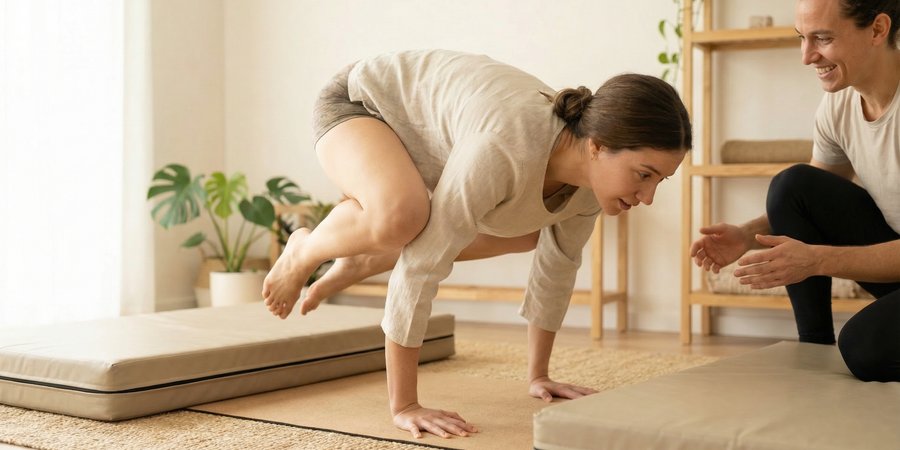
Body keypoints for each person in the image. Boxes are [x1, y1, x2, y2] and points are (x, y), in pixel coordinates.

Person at [263, 49, 692, 439]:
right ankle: (306, 249)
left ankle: (369, 257)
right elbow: (423, 264)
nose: (648, 197)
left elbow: (558, 266)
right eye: (643, 174)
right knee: (404, 217)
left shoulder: (586, 191)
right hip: (361, 104)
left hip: (431, 137)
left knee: (527, 231)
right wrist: (405, 405)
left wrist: (538, 376)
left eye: (660, 180)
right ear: (597, 147)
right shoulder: (504, 147)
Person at [690, 0, 900, 382]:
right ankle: (813, 346)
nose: (806, 56)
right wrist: (747, 236)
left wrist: (817, 260)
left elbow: (817, 254)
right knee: (792, 185)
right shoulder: (838, 104)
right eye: (802, 38)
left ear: (877, 29)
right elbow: (804, 201)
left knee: (864, 349)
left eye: (823, 38)